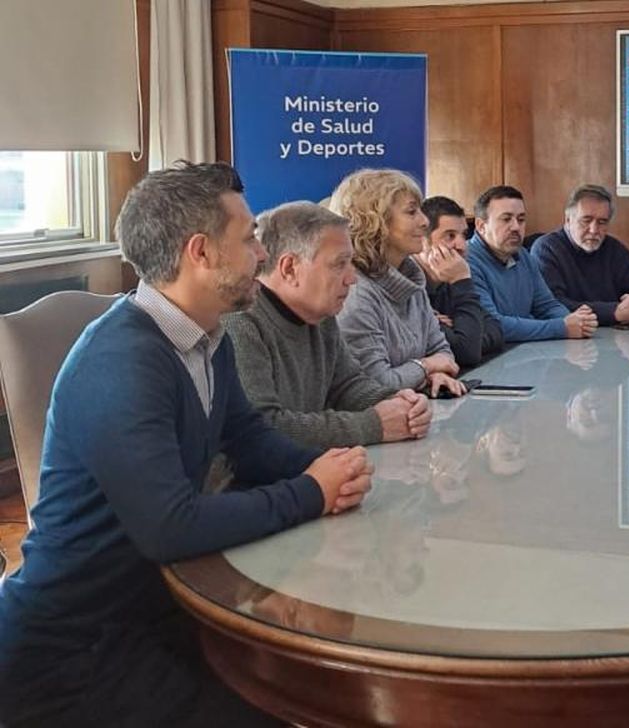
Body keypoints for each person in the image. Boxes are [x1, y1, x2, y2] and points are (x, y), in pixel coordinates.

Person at [0, 162, 374, 727]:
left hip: (159, 613)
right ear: (201, 253)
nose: (263, 254)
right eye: (248, 238)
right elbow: (168, 527)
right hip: (76, 650)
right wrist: (311, 493)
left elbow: (248, 441)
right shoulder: (123, 361)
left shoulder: (206, 336)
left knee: (311, 694)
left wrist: (331, 470)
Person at [223, 200, 432, 449]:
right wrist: (373, 425)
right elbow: (264, 426)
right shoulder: (240, 322)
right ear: (289, 268)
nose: (352, 279)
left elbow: (347, 386)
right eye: (339, 264)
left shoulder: (320, 316)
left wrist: (401, 403)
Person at [331, 169, 467, 397]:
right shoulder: (353, 291)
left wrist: (436, 373)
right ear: (375, 221)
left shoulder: (411, 280)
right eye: (412, 212)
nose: (425, 222)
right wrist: (426, 367)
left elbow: (443, 352)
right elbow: (376, 384)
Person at [466, 185, 598, 342]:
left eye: (521, 219)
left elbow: (547, 305)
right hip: (489, 360)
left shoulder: (523, 255)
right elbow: (492, 324)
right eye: (506, 219)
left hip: (524, 352)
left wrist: (576, 321)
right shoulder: (466, 261)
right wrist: (562, 327)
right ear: (481, 226)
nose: (516, 227)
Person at [531, 184, 629, 327]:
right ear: (568, 220)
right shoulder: (546, 249)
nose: (594, 230)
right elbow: (552, 306)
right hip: (566, 342)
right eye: (586, 220)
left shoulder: (615, 249)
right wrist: (615, 312)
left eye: (602, 222)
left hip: (619, 342)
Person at [415, 195, 504, 366]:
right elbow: (467, 353)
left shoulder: (448, 280)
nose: (462, 245)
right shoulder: (411, 285)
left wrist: (464, 334)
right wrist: (462, 281)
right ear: (423, 240)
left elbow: (497, 330)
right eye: (449, 236)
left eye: (464, 235)